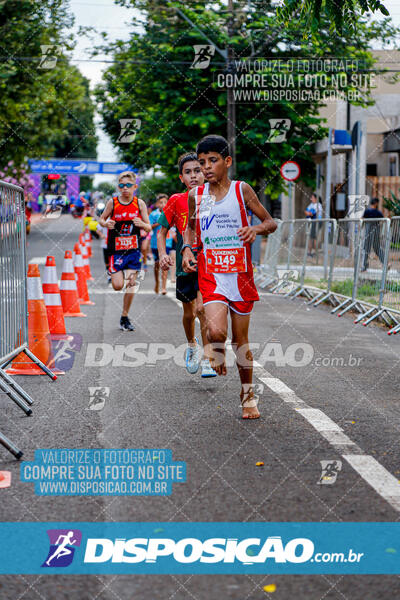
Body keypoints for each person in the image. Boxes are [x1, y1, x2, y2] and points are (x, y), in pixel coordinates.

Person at [182, 135, 277, 419]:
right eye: (201, 163)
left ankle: (247, 395)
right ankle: (215, 349)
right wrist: (188, 248)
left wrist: (255, 230)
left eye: (212, 161)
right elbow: (190, 228)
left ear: (227, 161)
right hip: (211, 272)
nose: (206, 168)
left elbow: (269, 222)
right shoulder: (195, 196)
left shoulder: (242, 191)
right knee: (215, 331)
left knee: (242, 341)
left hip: (240, 274)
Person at [158, 152, 217, 377]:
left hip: (209, 263)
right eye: (188, 172)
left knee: (202, 310)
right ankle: (192, 345)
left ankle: (208, 359)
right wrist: (163, 254)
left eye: (197, 170)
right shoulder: (176, 200)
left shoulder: (216, 198)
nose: (194, 176)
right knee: (189, 313)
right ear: (181, 177)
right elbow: (162, 232)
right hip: (185, 264)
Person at [99, 171, 151, 331]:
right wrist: (105, 224)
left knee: (130, 286)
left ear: (135, 187)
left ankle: (124, 316)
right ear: (118, 187)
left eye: (128, 185)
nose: (125, 188)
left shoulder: (139, 203)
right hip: (116, 251)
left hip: (134, 252)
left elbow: (149, 227)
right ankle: (113, 272)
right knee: (117, 285)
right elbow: (101, 219)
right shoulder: (113, 203)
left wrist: (141, 223)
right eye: (122, 185)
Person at [149, 193, 170, 294]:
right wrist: (160, 222)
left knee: (165, 264)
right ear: (157, 204)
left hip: (168, 242)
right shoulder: (153, 214)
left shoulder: (170, 212)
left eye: (165, 202)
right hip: (155, 243)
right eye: (161, 202)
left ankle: (163, 287)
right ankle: (157, 282)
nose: (163, 204)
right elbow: (149, 227)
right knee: (157, 264)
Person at [361, 197, 385, 271]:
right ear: (376, 203)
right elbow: (384, 220)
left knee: (366, 249)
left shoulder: (367, 211)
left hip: (368, 232)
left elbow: (362, 219)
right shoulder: (378, 212)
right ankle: (385, 262)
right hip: (376, 233)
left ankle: (364, 266)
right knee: (377, 248)